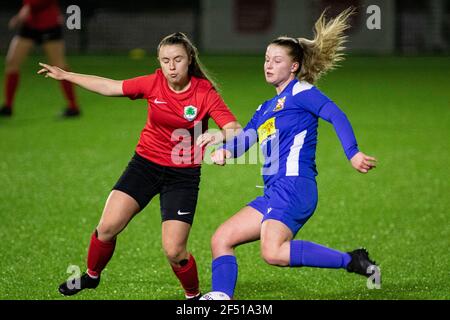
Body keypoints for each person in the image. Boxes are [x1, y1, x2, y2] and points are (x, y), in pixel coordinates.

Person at [38, 32, 241, 299]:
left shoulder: (204, 93)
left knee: (174, 251)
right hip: (144, 165)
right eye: (165, 60)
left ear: (189, 59)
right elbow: (111, 86)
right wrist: (67, 76)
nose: (171, 66)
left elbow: (235, 129)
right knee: (107, 227)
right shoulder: (154, 83)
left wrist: (218, 135)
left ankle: (193, 297)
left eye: (177, 59)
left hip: (182, 175)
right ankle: (91, 276)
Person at [209, 8, 380, 299]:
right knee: (221, 238)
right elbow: (246, 139)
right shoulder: (264, 108)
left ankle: (353, 260)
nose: (268, 65)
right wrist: (225, 150)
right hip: (274, 191)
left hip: (295, 185)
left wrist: (352, 153)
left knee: (272, 252)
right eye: (266, 59)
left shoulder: (302, 92)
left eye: (277, 60)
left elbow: (335, 114)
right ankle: (222, 299)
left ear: (293, 67)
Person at [1, 0, 80, 117]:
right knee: (12, 62)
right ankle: (8, 106)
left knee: (59, 66)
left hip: (49, 24)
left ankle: (73, 107)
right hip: (29, 24)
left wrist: (29, 6)